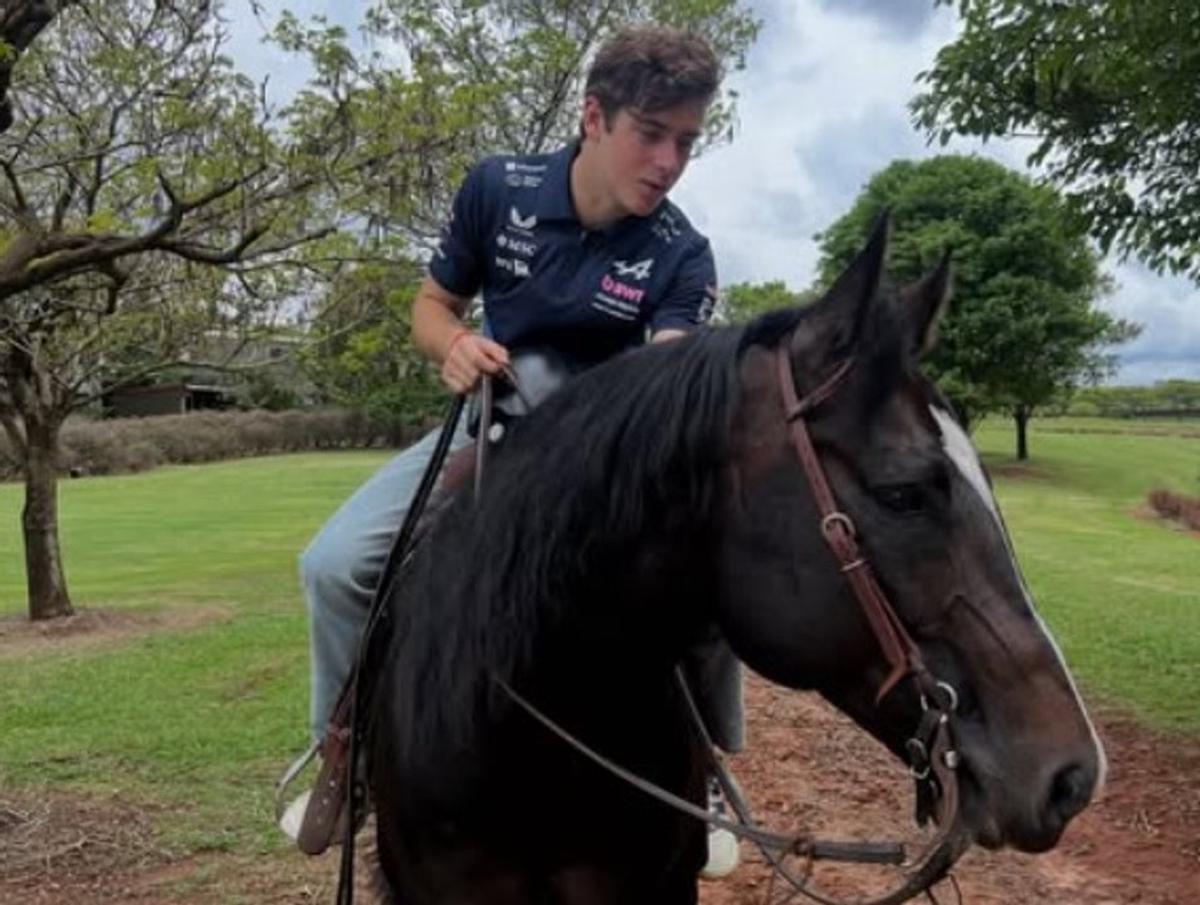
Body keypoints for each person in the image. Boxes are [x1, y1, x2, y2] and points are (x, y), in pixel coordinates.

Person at [279, 24, 744, 878]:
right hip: (486, 424)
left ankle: (708, 772)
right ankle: (344, 753)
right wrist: (452, 344)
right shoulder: (500, 189)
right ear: (594, 117)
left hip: (612, 461)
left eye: (686, 141)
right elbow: (431, 303)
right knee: (334, 564)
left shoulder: (681, 254)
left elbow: (669, 385)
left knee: (706, 588)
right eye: (652, 133)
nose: (670, 160)